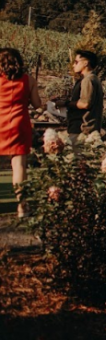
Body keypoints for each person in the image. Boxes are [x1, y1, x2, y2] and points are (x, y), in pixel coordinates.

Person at [0, 48, 42, 218]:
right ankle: (22, 207)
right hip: (18, 124)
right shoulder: (29, 80)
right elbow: (37, 104)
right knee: (19, 166)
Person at [67, 49, 103, 148]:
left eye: (76, 62)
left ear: (86, 63)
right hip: (87, 129)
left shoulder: (88, 80)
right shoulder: (92, 79)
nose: (74, 65)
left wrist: (66, 103)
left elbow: (85, 103)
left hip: (82, 129)